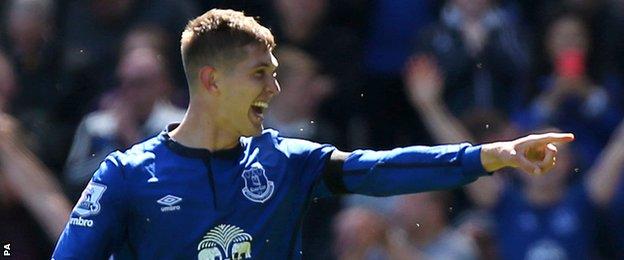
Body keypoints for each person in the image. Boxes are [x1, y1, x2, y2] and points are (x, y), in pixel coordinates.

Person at [52, 9, 574, 259]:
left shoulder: (286, 162)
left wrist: (492, 154)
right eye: (261, 73)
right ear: (211, 80)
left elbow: (382, 169)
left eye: (276, 72)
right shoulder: (124, 175)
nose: (275, 87)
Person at [404, 54, 624, 259]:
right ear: (520, 160)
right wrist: (430, 106)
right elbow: (464, 157)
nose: (547, 160)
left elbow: (618, 150)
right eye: (538, 151)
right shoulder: (504, 201)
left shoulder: (584, 200)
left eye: (558, 153)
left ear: (570, 164)